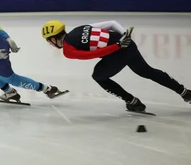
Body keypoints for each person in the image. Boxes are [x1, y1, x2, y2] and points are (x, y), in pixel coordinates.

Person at [42, 19, 190, 112]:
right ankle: (185, 92)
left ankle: (133, 102)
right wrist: (125, 37)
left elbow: (91, 55)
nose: (49, 44)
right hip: (128, 45)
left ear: (54, 38)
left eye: (49, 41)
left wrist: (118, 45)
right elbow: (112, 23)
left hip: (118, 51)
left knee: (98, 76)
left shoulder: (68, 50)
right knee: (147, 71)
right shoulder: (78, 29)